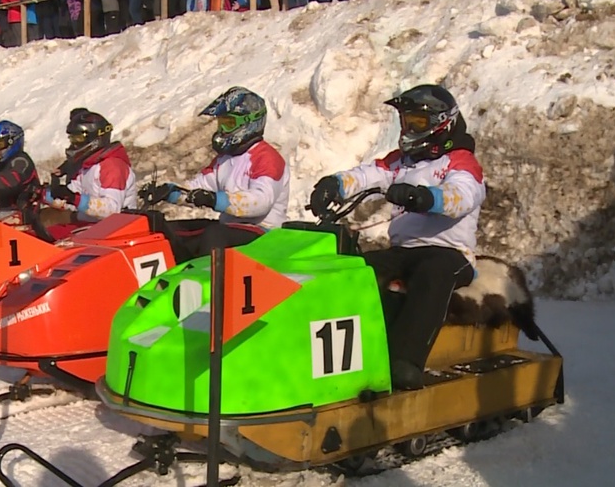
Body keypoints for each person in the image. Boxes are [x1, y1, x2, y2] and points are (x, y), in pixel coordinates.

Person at [309, 84, 485, 391]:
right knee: (357, 269)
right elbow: (368, 174)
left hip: (449, 253)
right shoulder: (400, 161)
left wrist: (424, 197)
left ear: (441, 123)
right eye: (406, 122)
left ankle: (406, 362)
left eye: (417, 122)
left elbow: (463, 196)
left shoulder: (460, 162)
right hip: (403, 250)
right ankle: (344, 357)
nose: (409, 129)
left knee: (431, 274)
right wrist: (334, 184)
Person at [140, 87, 290, 259]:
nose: (223, 129)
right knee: (169, 230)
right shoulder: (225, 159)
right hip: (231, 228)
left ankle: (205, 282)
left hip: (265, 234)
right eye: (221, 123)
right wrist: (169, 192)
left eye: (229, 123)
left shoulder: (267, 158)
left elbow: (261, 201)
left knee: (214, 235)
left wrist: (215, 199)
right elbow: (199, 187)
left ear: (249, 123)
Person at [44, 110, 138, 240]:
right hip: (89, 227)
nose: (74, 144)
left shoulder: (112, 166)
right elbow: (71, 196)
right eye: (72, 139)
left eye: (78, 138)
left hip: (115, 232)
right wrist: (43, 194)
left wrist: (74, 199)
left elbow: (112, 209)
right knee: (34, 236)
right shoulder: (88, 165)